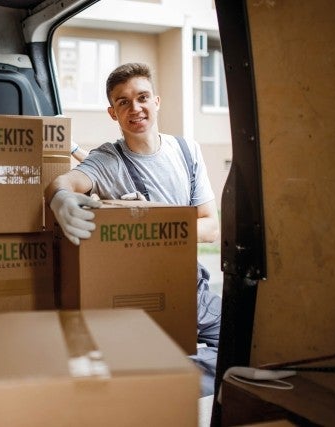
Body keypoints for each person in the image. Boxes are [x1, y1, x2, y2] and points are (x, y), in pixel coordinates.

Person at [47, 62, 222, 396]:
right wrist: (60, 198)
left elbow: (211, 227)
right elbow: (65, 180)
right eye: (123, 101)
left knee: (249, 342)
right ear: (112, 113)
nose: (135, 108)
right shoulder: (106, 160)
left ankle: (160, 380)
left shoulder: (187, 152)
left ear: (156, 101)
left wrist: (153, 229)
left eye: (142, 97)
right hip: (135, 293)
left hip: (189, 286)